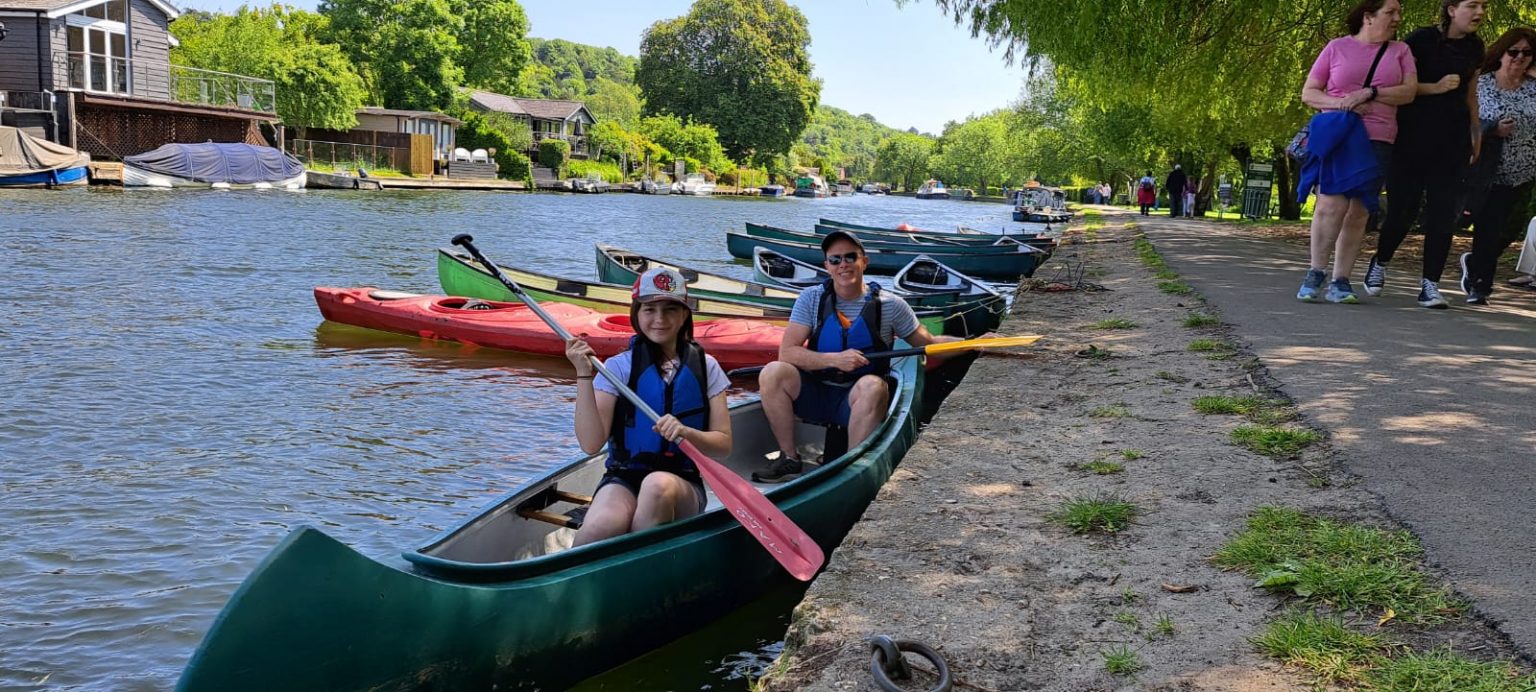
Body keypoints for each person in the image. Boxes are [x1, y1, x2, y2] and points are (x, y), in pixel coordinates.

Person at [751, 230, 968, 483]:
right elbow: (787, 352)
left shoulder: (891, 305)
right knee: (773, 372)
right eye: (835, 259)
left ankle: (850, 467)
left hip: (858, 400)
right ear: (827, 266)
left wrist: (973, 344)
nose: (843, 264)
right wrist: (835, 359)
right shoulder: (810, 299)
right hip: (817, 394)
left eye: (850, 257)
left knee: (873, 385)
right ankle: (789, 459)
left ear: (864, 262)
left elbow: (929, 343)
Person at [563, 267, 734, 546]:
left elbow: (723, 446)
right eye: (649, 309)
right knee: (598, 529)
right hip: (624, 476)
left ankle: (638, 571)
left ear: (684, 315)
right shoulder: (618, 368)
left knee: (656, 486)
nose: (659, 319)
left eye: (670, 309)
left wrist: (686, 432)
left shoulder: (707, 367)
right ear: (637, 314)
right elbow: (591, 444)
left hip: (682, 482)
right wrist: (583, 374)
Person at [1362, 0, 1485, 309]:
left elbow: (1471, 93)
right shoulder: (1420, 40)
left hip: (1453, 140)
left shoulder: (1475, 47)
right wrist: (1437, 87)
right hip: (1412, 138)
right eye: (1473, 5)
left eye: (1484, 6)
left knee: (1444, 215)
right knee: (1403, 211)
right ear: (1452, 10)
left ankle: (1430, 285)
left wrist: (1475, 131)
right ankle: (1381, 260)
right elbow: (1399, 87)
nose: (1480, 12)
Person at [1296, 0, 1416, 304]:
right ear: (1368, 17)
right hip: (1341, 135)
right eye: (1390, 12)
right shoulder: (1337, 47)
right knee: (1330, 204)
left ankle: (1341, 280)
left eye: (1398, 13)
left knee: (1360, 209)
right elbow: (1309, 93)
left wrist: (1371, 92)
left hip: (1379, 137)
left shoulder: (1400, 51)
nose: (1397, 19)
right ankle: (1315, 272)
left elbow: (1408, 92)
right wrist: (1343, 103)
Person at [1459, 27, 1536, 304]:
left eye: (1526, 53)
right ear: (1501, 53)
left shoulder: (1533, 88)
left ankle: (1474, 264)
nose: (1519, 58)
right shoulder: (1482, 84)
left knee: (1509, 229)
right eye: (1513, 52)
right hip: (1487, 170)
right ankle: (1481, 286)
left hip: (1525, 172)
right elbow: (1466, 123)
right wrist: (1492, 129)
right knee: (1488, 226)